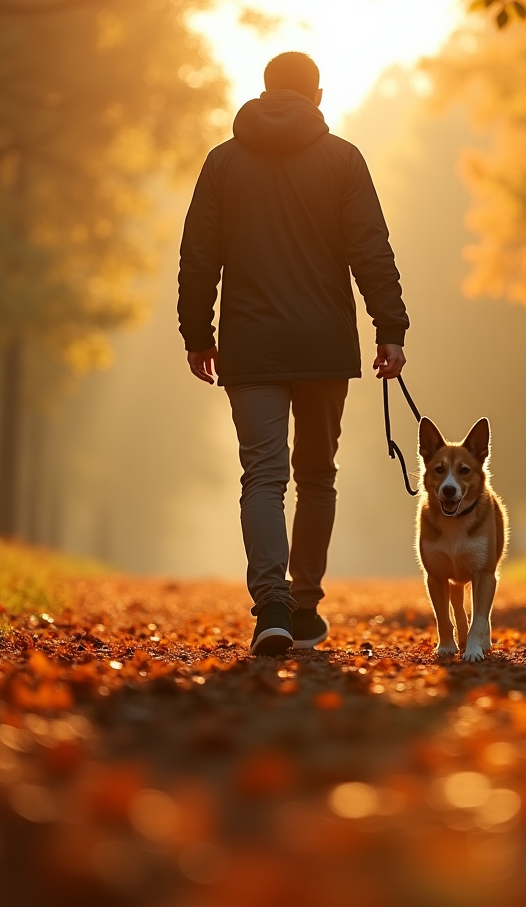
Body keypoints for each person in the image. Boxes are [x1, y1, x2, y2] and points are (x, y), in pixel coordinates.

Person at [177, 51, 409, 656]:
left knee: (263, 475)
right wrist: (391, 327)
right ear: (319, 96)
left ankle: (270, 607)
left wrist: (196, 333)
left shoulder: (223, 163)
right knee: (316, 477)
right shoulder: (343, 160)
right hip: (324, 345)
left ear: (263, 92)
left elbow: (199, 255)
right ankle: (303, 604)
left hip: (251, 348)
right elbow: (370, 248)